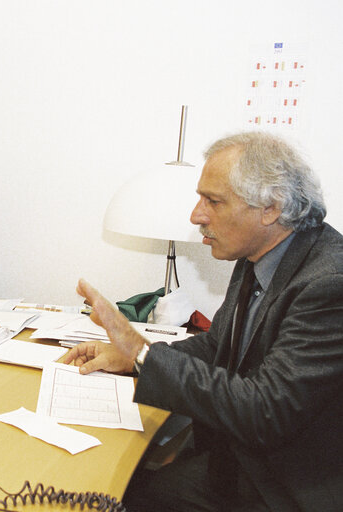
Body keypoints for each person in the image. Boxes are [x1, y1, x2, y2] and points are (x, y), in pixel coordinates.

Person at [65, 132, 342, 511]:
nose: (196, 215)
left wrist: (142, 354)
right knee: (122, 485)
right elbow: (218, 347)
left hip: (287, 487)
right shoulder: (257, 252)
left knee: (121, 493)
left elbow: (265, 411)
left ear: (270, 207)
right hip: (238, 458)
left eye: (213, 201)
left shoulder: (328, 285)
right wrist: (135, 357)